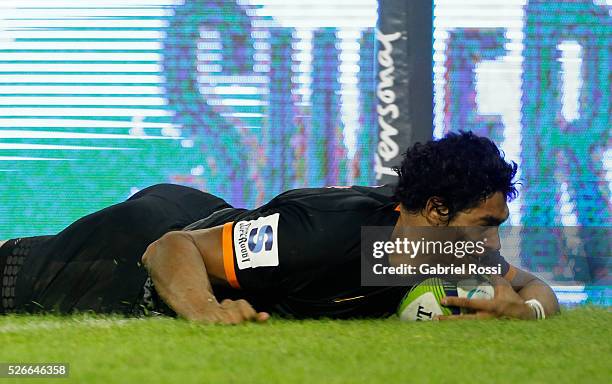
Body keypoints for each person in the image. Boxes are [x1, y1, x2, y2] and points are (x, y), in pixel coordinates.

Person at [0, 131, 559, 322]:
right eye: (485, 224)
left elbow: (537, 289)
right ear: (437, 210)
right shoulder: (324, 236)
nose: (492, 243)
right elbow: (170, 249)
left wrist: (524, 309)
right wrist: (205, 310)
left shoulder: (444, 249)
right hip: (151, 240)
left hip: (211, 221)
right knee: (25, 282)